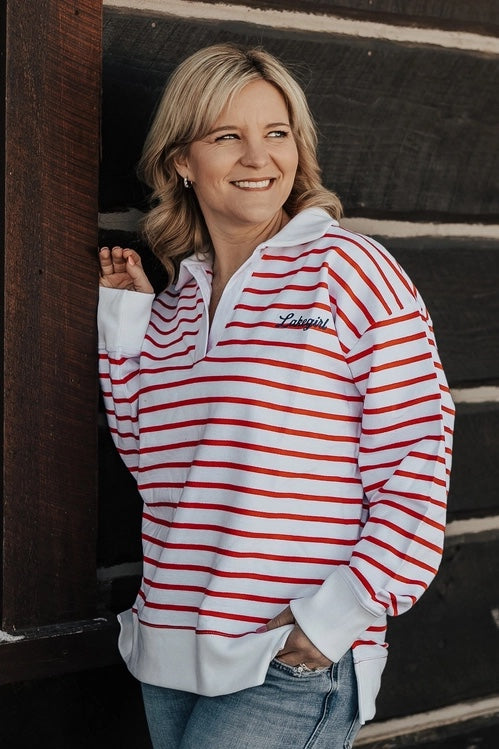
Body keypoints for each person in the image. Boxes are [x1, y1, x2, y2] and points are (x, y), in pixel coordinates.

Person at [98, 43, 454, 749]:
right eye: (227, 136)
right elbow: (151, 462)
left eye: (277, 132)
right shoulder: (177, 303)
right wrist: (129, 322)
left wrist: (334, 619)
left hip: (286, 655)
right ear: (181, 160)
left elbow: (417, 452)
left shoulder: (348, 270)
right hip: (170, 650)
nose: (259, 157)